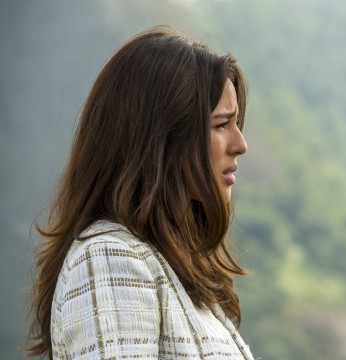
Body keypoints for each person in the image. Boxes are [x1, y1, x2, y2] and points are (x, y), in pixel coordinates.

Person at [25, 26, 254, 359]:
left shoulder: (175, 266)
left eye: (236, 124)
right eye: (220, 125)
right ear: (162, 138)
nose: (240, 145)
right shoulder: (111, 259)